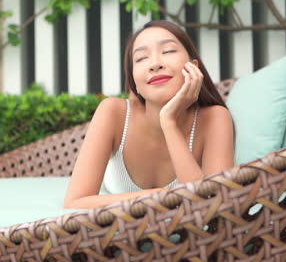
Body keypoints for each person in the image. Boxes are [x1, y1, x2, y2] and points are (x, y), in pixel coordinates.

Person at [64, 20, 234, 209]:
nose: (154, 64)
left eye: (168, 51)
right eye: (141, 58)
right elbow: (75, 202)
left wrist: (168, 122)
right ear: (134, 80)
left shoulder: (214, 118)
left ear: (193, 67)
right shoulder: (113, 112)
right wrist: (162, 196)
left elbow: (213, 206)